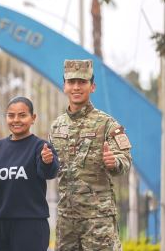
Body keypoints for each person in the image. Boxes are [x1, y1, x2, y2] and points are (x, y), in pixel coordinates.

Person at [49, 59, 132, 251]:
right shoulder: (56, 126)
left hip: (98, 220)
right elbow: (52, 168)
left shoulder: (107, 124)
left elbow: (125, 159)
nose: (76, 87)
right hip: (66, 220)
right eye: (71, 82)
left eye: (82, 82)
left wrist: (114, 162)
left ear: (92, 86)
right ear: (64, 86)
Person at [0, 96, 59, 251]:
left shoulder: (40, 147)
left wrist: (47, 162)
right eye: (11, 115)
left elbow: (49, 172)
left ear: (33, 118)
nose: (16, 120)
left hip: (30, 226)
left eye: (22, 115)